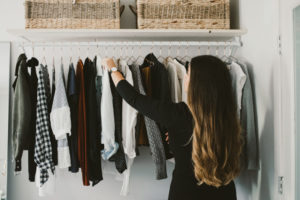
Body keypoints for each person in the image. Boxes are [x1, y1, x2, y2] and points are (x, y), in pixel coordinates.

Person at [104, 55, 243, 200]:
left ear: (197, 83)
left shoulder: (179, 115)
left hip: (185, 192)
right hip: (225, 193)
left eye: (188, 73)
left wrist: (113, 68)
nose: (185, 77)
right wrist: (177, 137)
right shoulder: (228, 117)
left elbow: (135, 99)